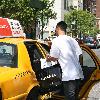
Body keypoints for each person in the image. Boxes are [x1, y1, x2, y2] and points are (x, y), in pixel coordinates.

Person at [46, 21, 84, 100]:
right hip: (78, 75)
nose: (55, 31)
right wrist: (80, 67)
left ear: (58, 28)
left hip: (68, 76)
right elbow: (80, 55)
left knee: (69, 97)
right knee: (75, 97)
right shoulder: (72, 40)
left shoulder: (56, 41)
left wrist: (48, 58)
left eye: (55, 29)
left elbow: (54, 57)